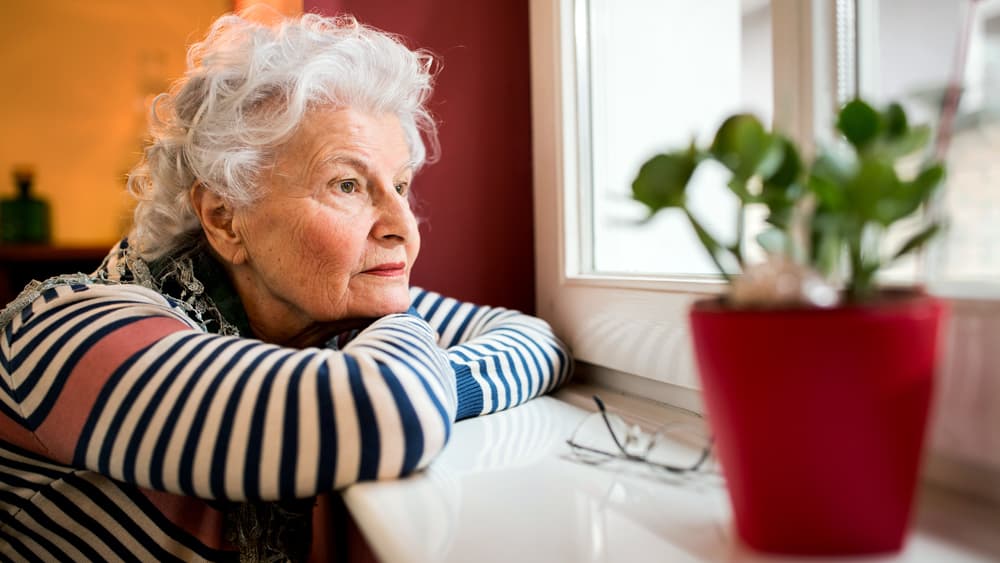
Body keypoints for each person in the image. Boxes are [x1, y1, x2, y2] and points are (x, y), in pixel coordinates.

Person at [0, 12, 572, 562]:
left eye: (399, 185)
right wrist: (407, 352)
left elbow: (535, 340)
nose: (403, 226)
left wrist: (421, 367)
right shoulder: (68, 332)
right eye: (347, 184)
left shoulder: (313, 308)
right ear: (226, 220)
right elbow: (391, 410)